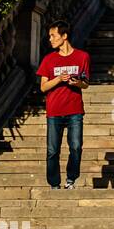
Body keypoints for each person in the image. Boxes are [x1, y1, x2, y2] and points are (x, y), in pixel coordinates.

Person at [36, 19, 90, 191]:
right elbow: (43, 87)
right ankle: (54, 184)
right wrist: (59, 79)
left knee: (75, 147)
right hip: (54, 110)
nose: (50, 39)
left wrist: (75, 83)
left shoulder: (82, 57)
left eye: (53, 36)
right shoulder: (48, 60)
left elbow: (86, 83)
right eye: (49, 36)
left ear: (64, 36)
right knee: (52, 150)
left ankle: (71, 179)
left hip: (74, 110)